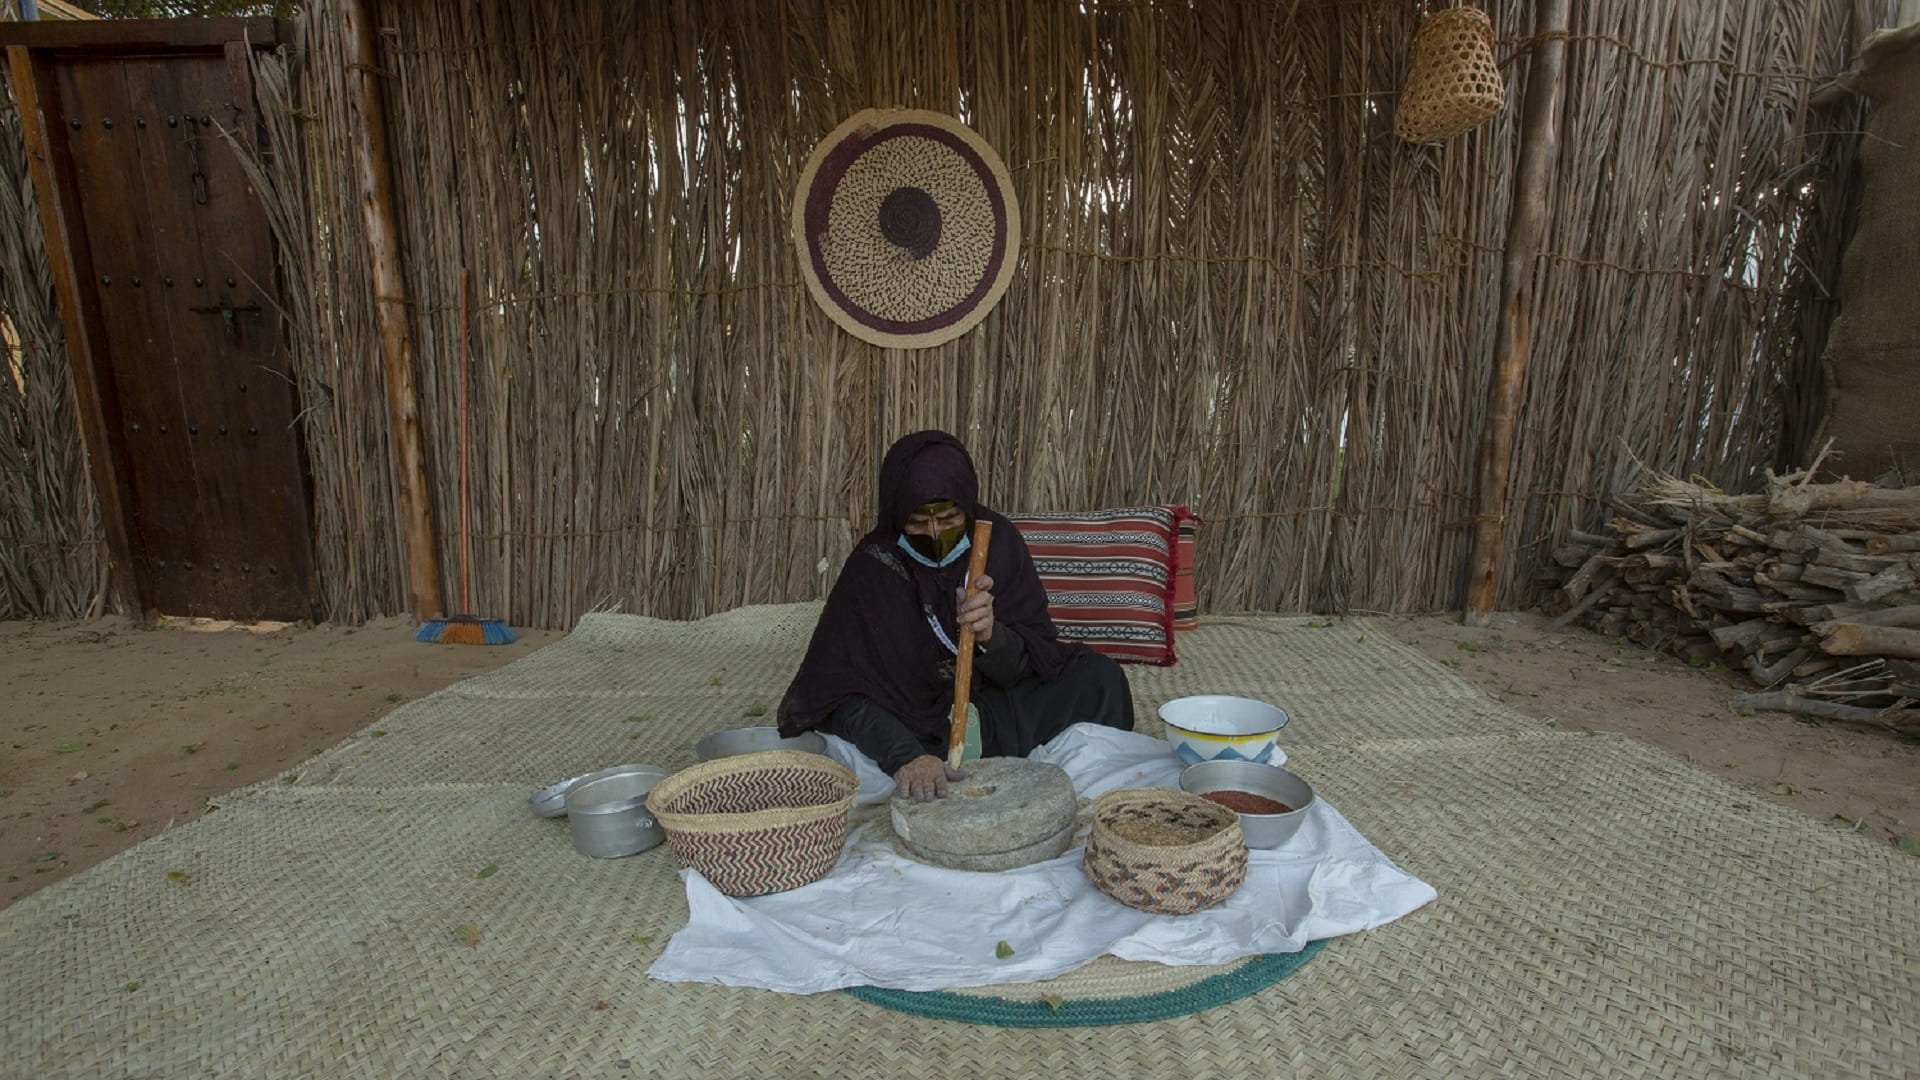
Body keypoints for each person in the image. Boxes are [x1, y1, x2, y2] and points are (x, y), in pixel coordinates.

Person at [777, 430, 1133, 801]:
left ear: (967, 506)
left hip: (996, 707)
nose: (934, 533)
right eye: (917, 522)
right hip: (914, 723)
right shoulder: (873, 569)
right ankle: (932, 762)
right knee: (844, 752)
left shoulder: (998, 543)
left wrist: (991, 637)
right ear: (896, 515)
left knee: (1100, 679)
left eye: (948, 518)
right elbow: (835, 694)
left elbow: (1029, 661)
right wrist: (907, 757)